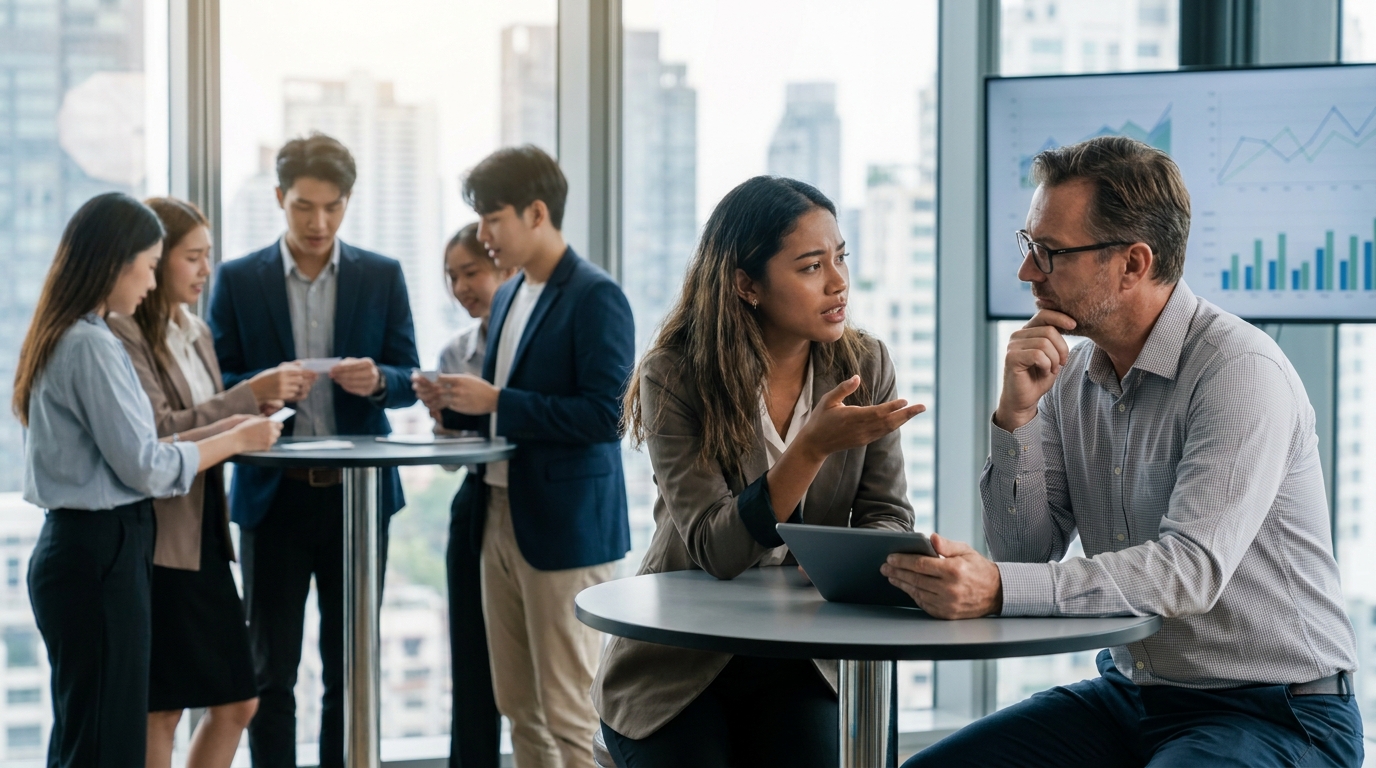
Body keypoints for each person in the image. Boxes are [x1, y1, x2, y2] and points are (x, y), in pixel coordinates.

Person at [884, 136, 1363, 767]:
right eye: (1030, 247)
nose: (1028, 273)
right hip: (1132, 697)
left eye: (1051, 254)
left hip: (1279, 710)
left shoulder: (1238, 370)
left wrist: (998, 588)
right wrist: (1015, 418)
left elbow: (1188, 572)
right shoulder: (1073, 377)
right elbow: (1025, 553)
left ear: (1133, 264)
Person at [591, 175, 924, 768]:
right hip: (682, 658)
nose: (839, 282)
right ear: (746, 284)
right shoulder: (676, 374)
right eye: (811, 266)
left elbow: (886, 516)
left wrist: (835, 565)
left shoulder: (864, 363)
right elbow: (716, 549)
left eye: (840, 257)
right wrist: (809, 450)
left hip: (808, 652)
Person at [14, 192, 280, 767]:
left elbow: (137, 451)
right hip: (99, 550)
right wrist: (233, 440)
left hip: (88, 547)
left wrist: (221, 432)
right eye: (152, 263)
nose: (152, 279)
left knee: (90, 735)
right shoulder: (92, 343)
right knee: (106, 741)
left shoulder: (72, 334)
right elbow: (145, 466)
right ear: (117, 261)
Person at [208, 133, 421, 767]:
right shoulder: (238, 279)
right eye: (303, 206)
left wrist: (381, 381)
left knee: (350, 669)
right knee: (270, 673)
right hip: (273, 503)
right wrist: (256, 390)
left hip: (358, 501)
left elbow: (409, 377)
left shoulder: (381, 275)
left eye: (332, 207)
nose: (318, 222)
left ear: (348, 202)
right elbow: (211, 389)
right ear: (279, 198)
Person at [419, 145, 633, 768]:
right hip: (498, 512)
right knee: (518, 705)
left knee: (569, 711)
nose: (484, 235)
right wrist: (455, 407)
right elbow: (506, 404)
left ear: (537, 213)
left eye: (494, 218)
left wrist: (497, 401)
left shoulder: (595, 296)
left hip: (564, 528)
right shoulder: (512, 295)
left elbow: (606, 416)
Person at [105, 197, 313, 768]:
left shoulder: (195, 330)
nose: (205, 271)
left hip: (204, 536)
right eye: (191, 257)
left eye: (208, 257)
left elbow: (203, 421)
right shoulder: (122, 335)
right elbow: (158, 433)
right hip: (160, 540)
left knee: (239, 701)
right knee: (162, 710)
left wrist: (247, 415)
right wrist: (246, 398)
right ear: (152, 259)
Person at [416, 223, 514, 768]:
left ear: (503, 267)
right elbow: (451, 459)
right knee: (470, 662)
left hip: (527, 506)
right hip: (474, 503)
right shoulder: (456, 350)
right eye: (451, 277)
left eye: (471, 272)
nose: (460, 287)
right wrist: (443, 420)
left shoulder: (528, 344)